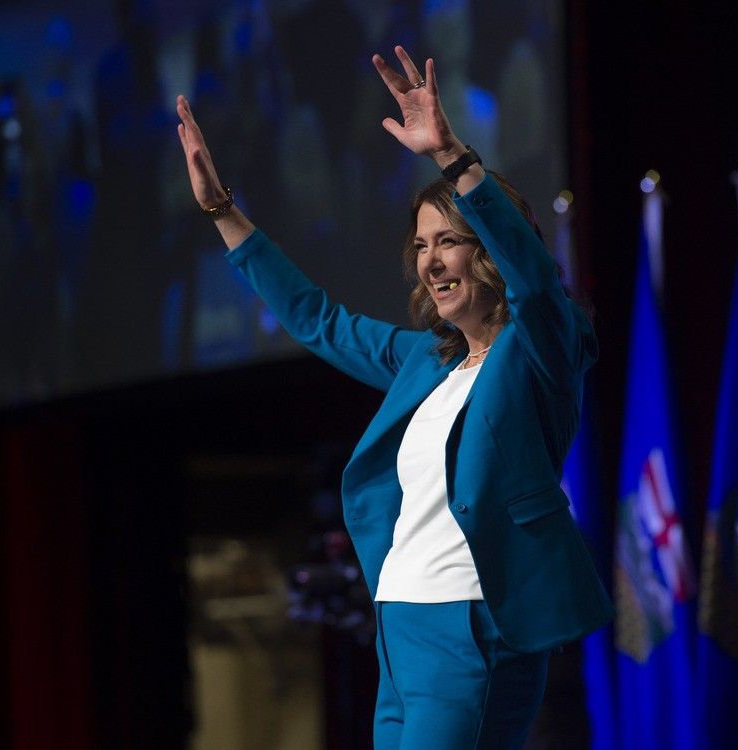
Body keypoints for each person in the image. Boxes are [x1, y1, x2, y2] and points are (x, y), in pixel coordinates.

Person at [176, 45, 612, 750]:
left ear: (491, 253)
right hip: (400, 632)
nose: (431, 260)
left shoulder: (541, 352)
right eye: (421, 245)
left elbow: (535, 283)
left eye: (450, 242)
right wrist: (223, 212)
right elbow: (317, 320)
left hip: (474, 627)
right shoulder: (425, 362)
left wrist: (453, 159)